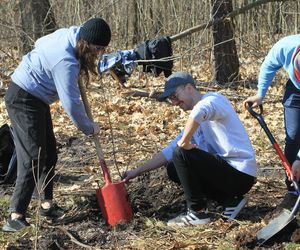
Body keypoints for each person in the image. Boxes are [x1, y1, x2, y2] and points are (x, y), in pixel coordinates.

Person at [2, 17, 111, 232]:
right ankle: (15, 215)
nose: (98, 53)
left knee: (49, 152)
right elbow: (71, 103)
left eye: (102, 49)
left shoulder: (72, 35)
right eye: (97, 48)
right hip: (23, 97)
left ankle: (46, 205)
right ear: (86, 43)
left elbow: (40, 42)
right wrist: (89, 127)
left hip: (37, 98)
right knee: (33, 155)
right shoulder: (66, 61)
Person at [123, 72, 257, 226]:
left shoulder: (214, 100)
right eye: (170, 99)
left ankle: (197, 212)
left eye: (174, 95)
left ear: (188, 88)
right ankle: (230, 201)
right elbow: (168, 151)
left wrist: (184, 143)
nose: (174, 103)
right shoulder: (197, 123)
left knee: (181, 153)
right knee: (173, 167)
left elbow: (199, 112)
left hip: (240, 174)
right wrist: (137, 171)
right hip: (229, 176)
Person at [244, 35, 300, 196]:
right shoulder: (285, 47)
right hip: (295, 91)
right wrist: (260, 94)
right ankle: (293, 186)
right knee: (294, 135)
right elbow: (269, 66)